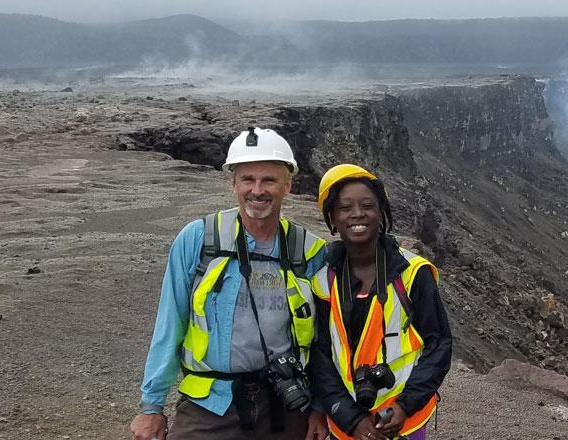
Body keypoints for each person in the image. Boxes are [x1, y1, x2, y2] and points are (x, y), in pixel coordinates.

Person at [130, 127, 332, 440]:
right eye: (248, 179)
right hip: (210, 404)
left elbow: (324, 342)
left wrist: (319, 406)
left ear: (287, 185)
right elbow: (170, 323)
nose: (258, 190)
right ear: (233, 183)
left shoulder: (310, 251)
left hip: (286, 403)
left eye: (269, 180)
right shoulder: (198, 240)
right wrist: (151, 406)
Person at [308, 164, 454, 440]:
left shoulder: (413, 274)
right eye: (345, 208)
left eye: (367, 205)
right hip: (348, 424)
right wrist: (352, 419)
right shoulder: (323, 281)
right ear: (332, 218)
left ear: (381, 212)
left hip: (403, 420)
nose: (357, 214)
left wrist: (405, 405)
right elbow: (320, 358)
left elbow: (439, 344)